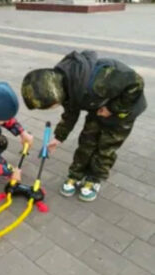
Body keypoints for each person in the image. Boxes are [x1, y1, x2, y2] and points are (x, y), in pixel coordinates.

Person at [21, 50, 147, 202]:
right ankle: (76, 174)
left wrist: (112, 109)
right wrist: (59, 137)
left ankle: (94, 178)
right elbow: (70, 113)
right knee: (87, 141)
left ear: (55, 97)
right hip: (97, 105)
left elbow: (136, 83)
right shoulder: (65, 85)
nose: (50, 109)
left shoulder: (101, 80)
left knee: (105, 146)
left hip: (123, 111)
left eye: (48, 107)